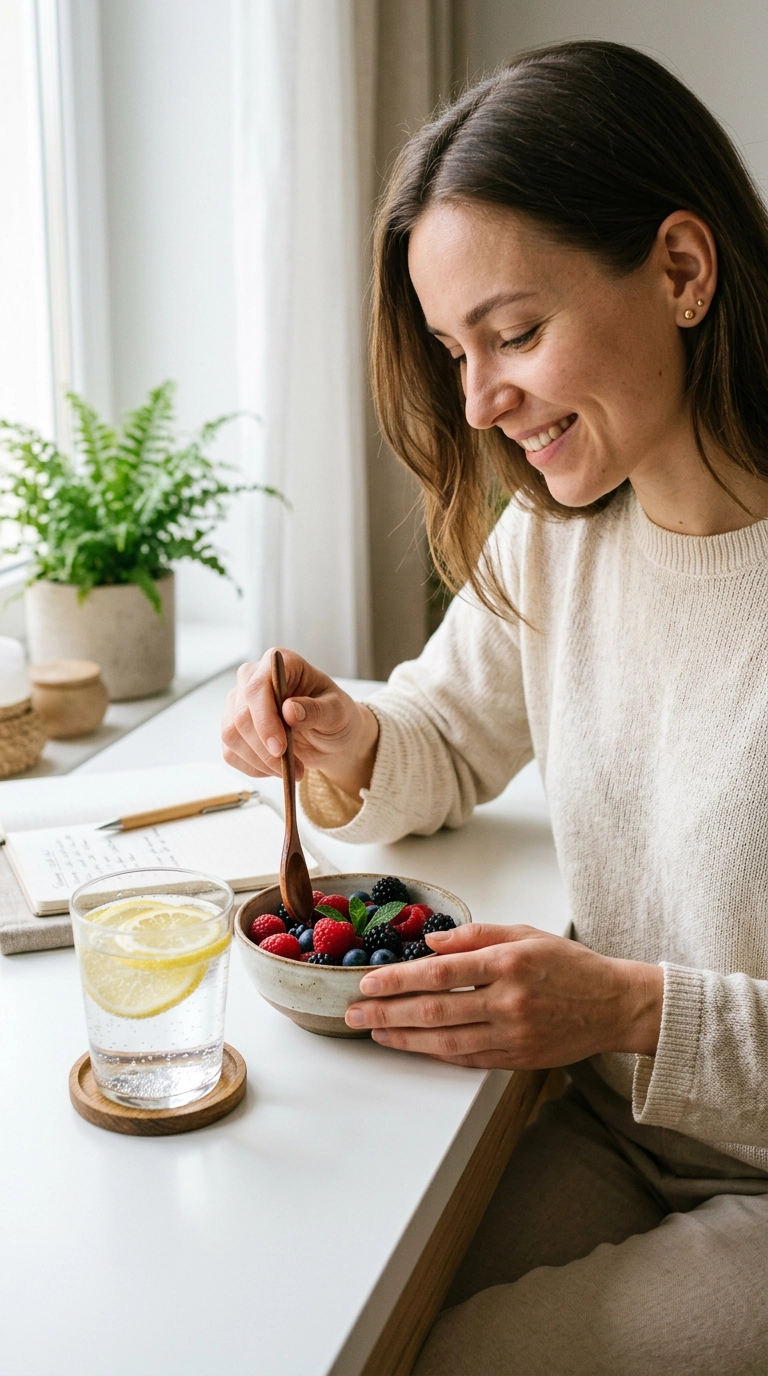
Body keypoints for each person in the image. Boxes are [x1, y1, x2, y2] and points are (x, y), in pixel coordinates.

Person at [221, 41, 768, 1375]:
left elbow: (636, 1006)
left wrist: (633, 1010)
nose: (480, 401)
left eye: (517, 334)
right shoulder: (562, 535)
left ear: (684, 272)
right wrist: (346, 736)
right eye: (455, 350)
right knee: (328, 1312)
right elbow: (445, 738)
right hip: (614, 1125)